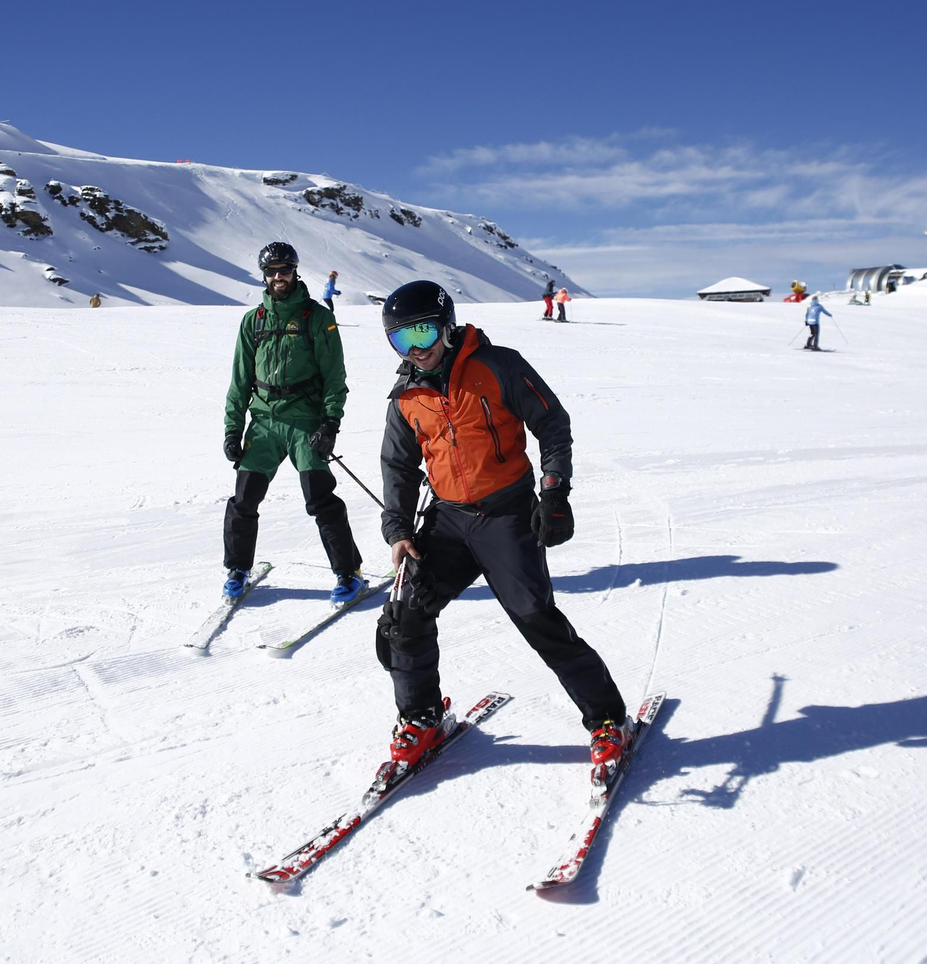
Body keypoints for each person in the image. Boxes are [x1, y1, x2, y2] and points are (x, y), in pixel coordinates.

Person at [375, 280, 630, 785]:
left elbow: (552, 424)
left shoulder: (500, 366)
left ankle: (606, 720)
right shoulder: (406, 395)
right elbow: (398, 467)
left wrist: (554, 492)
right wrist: (399, 529)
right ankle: (422, 719)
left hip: (507, 515)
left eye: (423, 332)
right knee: (405, 617)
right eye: (402, 340)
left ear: (447, 326)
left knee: (538, 619)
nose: (416, 349)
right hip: (447, 520)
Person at [222, 242, 366, 604]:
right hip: (265, 423)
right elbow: (240, 380)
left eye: (284, 270)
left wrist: (330, 422)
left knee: (320, 500)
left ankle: (348, 573)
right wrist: (232, 429)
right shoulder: (253, 321)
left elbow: (335, 376)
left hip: (305, 422)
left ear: (295, 271)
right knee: (243, 500)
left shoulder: (317, 317)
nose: (277, 277)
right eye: (271, 272)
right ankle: (237, 569)